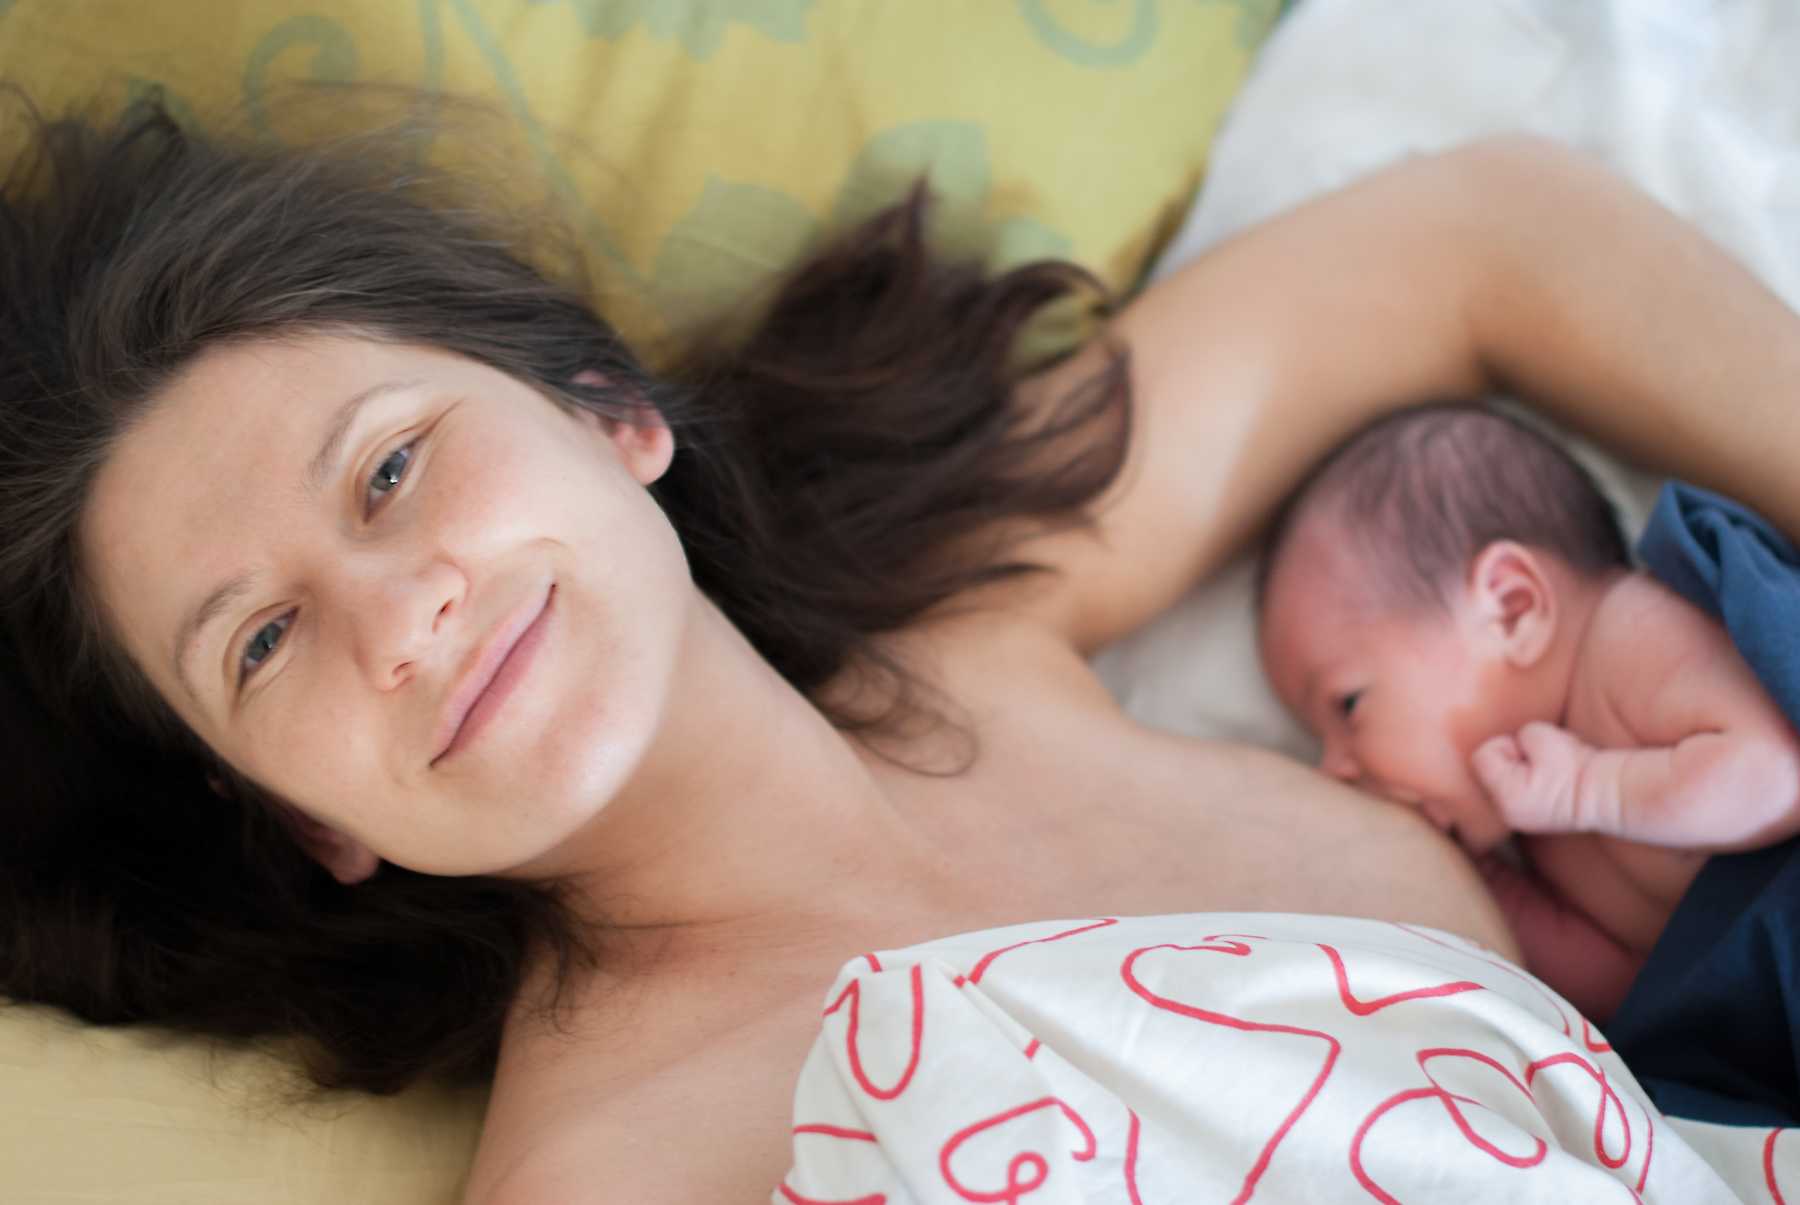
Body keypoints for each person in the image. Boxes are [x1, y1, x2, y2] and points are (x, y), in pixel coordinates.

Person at [5, 91, 1800, 1205]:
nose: (398, 617)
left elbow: (1483, 232)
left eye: (393, 468)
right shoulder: (605, 1176)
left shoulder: (986, 591)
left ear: (610, 413)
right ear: (307, 818)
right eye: (262, 645)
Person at [1254, 402, 1800, 1022]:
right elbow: (1626, 986)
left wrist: (1592, 789)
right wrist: (1485, 891)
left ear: (1512, 608)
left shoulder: (1629, 636)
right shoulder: (1539, 831)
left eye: (1348, 705)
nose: (1333, 771)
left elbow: (1774, 771)